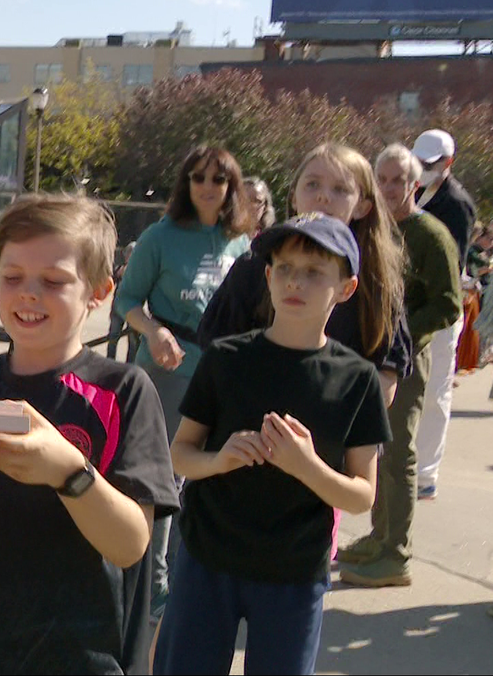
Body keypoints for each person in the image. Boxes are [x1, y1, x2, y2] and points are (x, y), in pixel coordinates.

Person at [0, 195, 181, 674]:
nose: (28, 293)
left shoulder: (121, 391)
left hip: (80, 658)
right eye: (12, 276)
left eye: (54, 280)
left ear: (99, 292)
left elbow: (130, 544)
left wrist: (66, 472)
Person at [153, 213, 391, 675]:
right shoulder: (227, 357)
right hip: (208, 558)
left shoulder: (357, 378)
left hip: (294, 571)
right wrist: (221, 460)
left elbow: (363, 494)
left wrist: (306, 466)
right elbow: (179, 453)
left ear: (346, 288)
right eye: (284, 268)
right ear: (267, 276)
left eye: (314, 272)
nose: (295, 282)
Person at [113, 145, 251, 620]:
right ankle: (155, 587)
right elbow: (127, 300)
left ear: (233, 187)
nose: (208, 188)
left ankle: (190, 574)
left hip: (224, 374)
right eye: (198, 178)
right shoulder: (160, 237)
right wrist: (154, 331)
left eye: (219, 180)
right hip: (169, 372)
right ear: (185, 184)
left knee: (207, 476)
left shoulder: (241, 242)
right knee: (164, 480)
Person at [334, 145, 460, 587]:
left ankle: (396, 554)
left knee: (400, 454)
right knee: (375, 448)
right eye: (381, 180)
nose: (389, 188)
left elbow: (448, 305)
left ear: (415, 185)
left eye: (398, 181)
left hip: (404, 360)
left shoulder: (431, 235)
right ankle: (379, 535)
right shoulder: (372, 230)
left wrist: (400, 334)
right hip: (369, 355)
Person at [199, 144, 411, 402]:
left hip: (340, 432)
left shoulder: (377, 282)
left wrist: (321, 401)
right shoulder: (253, 265)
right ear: (293, 197)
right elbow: (218, 359)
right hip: (257, 426)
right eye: (312, 185)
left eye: (340, 189)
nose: (323, 197)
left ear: (362, 207)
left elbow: (385, 384)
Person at [411, 129, 478, 501]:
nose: (422, 169)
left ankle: (425, 473)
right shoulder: (415, 191)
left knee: (435, 390)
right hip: (411, 306)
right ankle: (405, 464)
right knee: (408, 387)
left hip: (440, 310)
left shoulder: (457, 204)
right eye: (419, 162)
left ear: (448, 164)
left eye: (430, 164)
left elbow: (451, 264)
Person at [106, 241, 137, 361]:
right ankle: (109, 361)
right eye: (128, 253)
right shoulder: (120, 268)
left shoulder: (141, 272)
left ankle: (130, 365)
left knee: (133, 341)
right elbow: (113, 275)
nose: (129, 256)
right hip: (117, 309)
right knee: (113, 337)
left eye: (132, 253)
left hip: (133, 309)